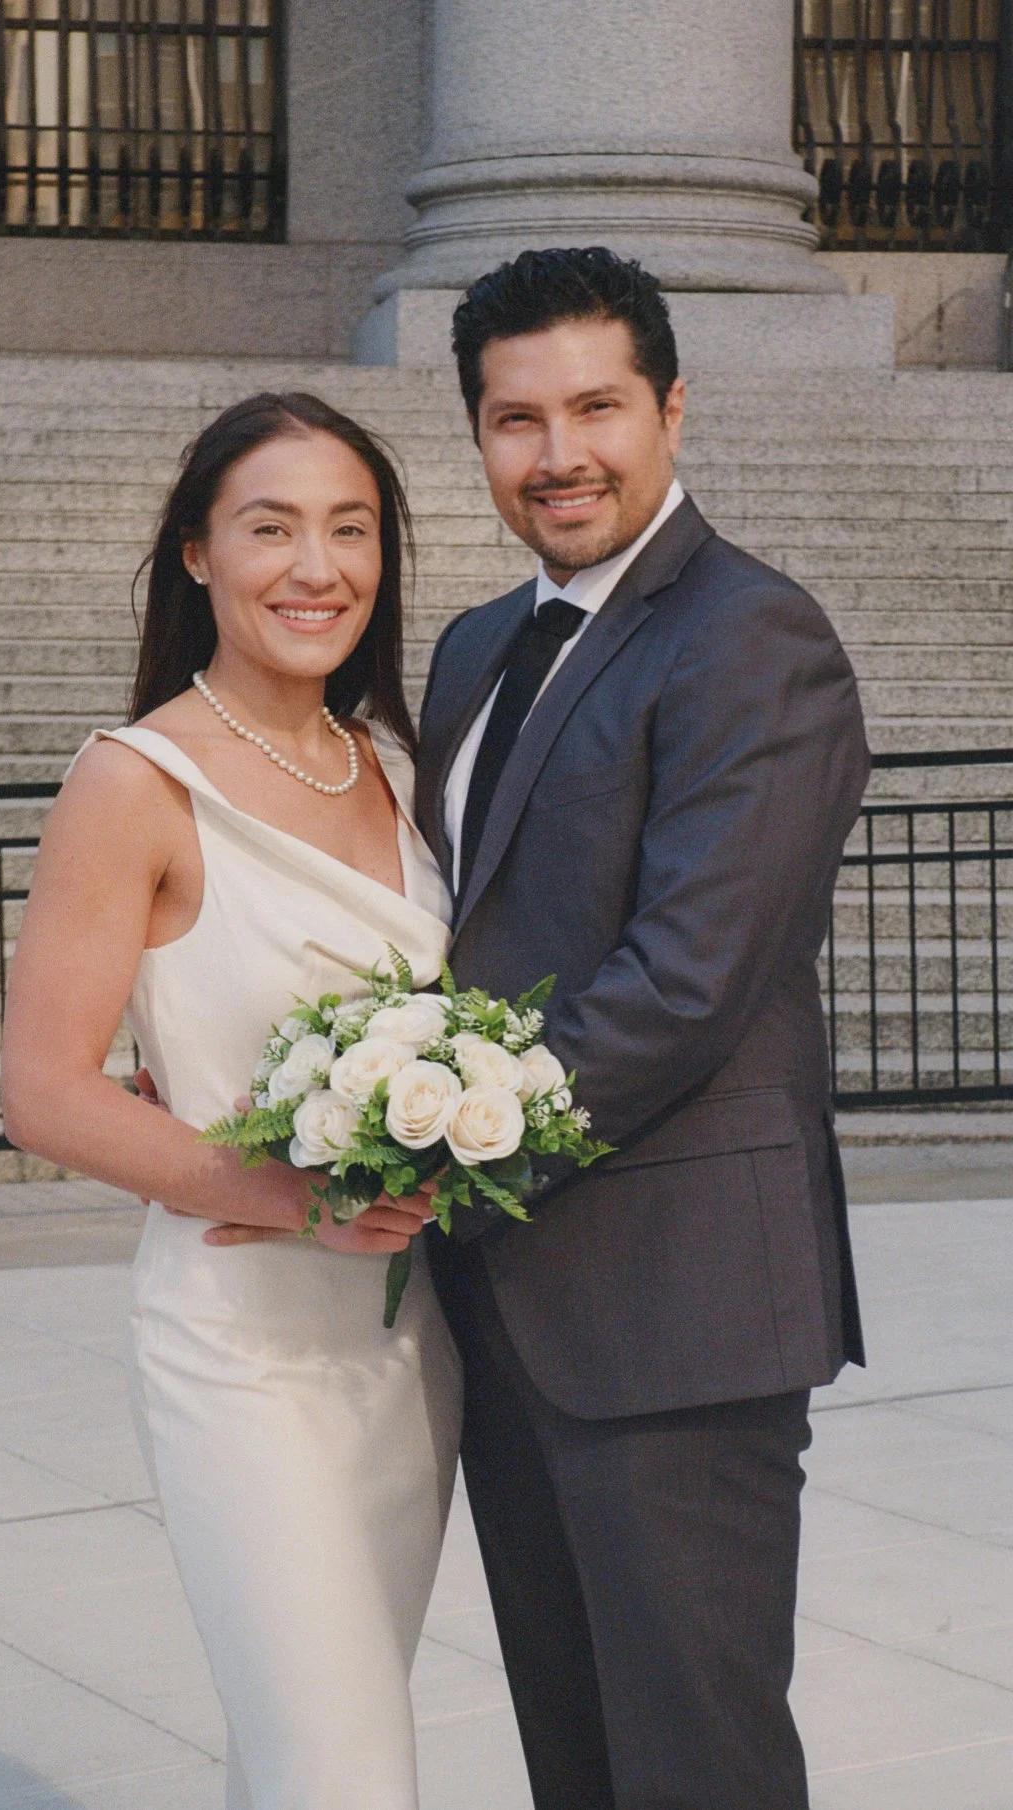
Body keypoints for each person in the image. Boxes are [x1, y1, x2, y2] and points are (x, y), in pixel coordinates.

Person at [412, 248, 870, 1810]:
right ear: (477, 436)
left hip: (679, 1309)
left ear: (672, 407)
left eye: (597, 406)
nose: (559, 456)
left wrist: (442, 1142)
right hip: (506, 1305)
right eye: (515, 419)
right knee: (579, 1752)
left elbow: (688, 981)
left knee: (699, 1763)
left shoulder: (752, 636)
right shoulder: (477, 646)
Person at [0, 392, 462, 1810]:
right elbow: (47, 1092)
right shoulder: (135, 781)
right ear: (198, 552)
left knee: (305, 1754)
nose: (315, 566)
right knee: (347, 1774)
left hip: (409, 1348)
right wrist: (294, 1195)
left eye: (350, 528)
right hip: (240, 1347)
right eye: (270, 528)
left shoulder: (398, 767)